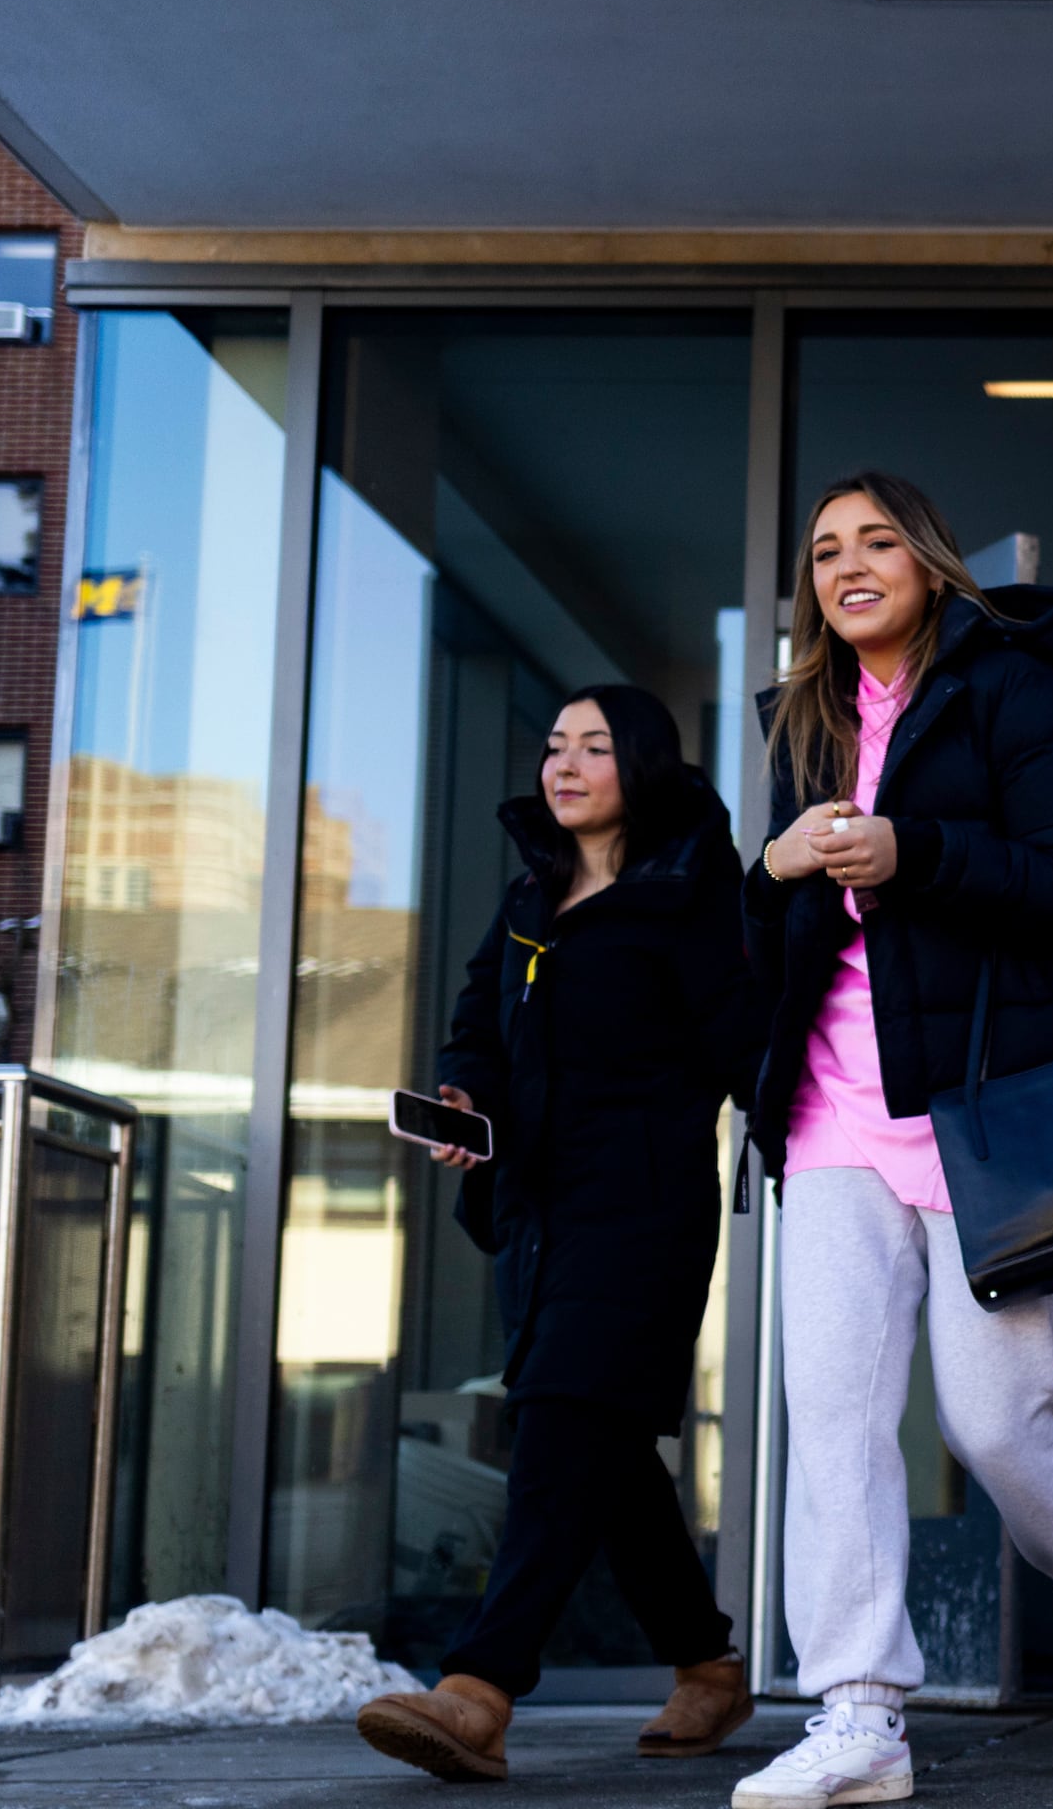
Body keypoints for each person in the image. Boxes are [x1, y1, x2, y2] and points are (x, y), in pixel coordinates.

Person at [722, 470, 1053, 1809]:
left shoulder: (1009, 685)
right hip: (829, 1112)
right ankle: (859, 1714)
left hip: (979, 1110)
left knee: (995, 1421)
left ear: (926, 561)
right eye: (823, 553)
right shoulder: (803, 721)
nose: (847, 566)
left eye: (875, 543)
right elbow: (769, 933)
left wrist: (910, 853)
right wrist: (772, 873)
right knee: (841, 1421)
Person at [354, 685, 762, 1782]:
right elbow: (477, 1025)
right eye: (552, 746)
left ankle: (480, 1691)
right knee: (607, 1448)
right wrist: (470, 1107)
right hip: (542, 1206)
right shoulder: (535, 893)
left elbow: (740, 1039)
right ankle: (708, 1669)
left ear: (644, 764)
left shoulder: (691, 888)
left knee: (558, 1424)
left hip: (643, 1204)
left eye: (593, 746)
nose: (563, 765)